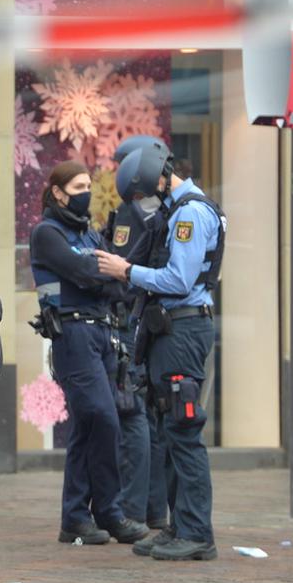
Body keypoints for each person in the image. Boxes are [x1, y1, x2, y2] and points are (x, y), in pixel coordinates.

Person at [98, 139, 224, 562]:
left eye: (140, 193)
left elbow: (179, 280)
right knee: (170, 429)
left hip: (183, 328)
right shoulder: (177, 208)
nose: (140, 203)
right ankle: (179, 526)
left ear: (156, 179)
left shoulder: (189, 212)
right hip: (170, 331)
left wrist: (126, 270)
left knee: (184, 431)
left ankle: (197, 533)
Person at [29, 161, 148, 547]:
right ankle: (109, 512)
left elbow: (118, 287)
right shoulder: (46, 233)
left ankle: (77, 517)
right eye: (78, 186)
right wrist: (110, 272)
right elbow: (83, 272)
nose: (86, 193)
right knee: (104, 417)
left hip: (102, 334)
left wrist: (111, 274)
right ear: (59, 191)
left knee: (87, 425)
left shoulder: (90, 234)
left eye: (89, 186)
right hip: (73, 334)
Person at [103, 136, 170, 533]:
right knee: (155, 420)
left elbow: (120, 267)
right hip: (156, 321)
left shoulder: (132, 211)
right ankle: (156, 509)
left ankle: (133, 510)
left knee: (135, 416)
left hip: (132, 322)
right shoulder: (166, 209)